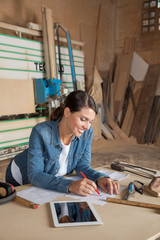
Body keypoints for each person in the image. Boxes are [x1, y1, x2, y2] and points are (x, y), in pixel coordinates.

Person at [6, 90, 119, 196]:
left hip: (51, 176)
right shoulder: (41, 132)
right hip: (20, 175)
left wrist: (100, 178)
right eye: (83, 119)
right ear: (67, 112)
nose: (87, 127)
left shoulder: (86, 133)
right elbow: (35, 175)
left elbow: (82, 166)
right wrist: (69, 185)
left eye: (90, 121)